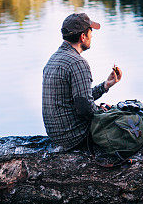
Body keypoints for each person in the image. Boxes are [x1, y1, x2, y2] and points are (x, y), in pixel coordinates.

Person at [42, 12, 122, 150]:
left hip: (57, 136)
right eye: (90, 32)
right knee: (126, 118)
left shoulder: (53, 59)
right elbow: (85, 108)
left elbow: (77, 99)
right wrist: (104, 111)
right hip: (75, 137)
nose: (92, 36)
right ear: (83, 37)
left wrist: (105, 86)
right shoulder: (78, 63)